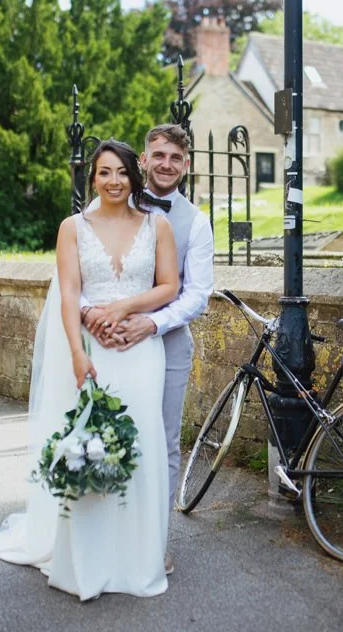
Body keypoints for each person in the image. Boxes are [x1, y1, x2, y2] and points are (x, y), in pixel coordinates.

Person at [0, 139, 179, 600]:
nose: (113, 181)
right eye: (104, 173)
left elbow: (170, 285)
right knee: (89, 446)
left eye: (122, 172)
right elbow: (69, 294)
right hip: (93, 352)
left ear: (135, 176)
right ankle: (87, 561)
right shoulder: (72, 228)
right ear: (93, 179)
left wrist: (124, 306)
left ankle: (138, 560)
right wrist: (76, 352)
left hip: (143, 353)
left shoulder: (157, 225)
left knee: (140, 445)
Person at [82, 124, 215, 576]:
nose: (166, 165)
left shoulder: (196, 222)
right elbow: (76, 275)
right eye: (159, 155)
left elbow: (197, 294)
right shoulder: (109, 198)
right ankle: (102, 536)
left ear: (186, 165)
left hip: (168, 345)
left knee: (162, 444)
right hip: (103, 340)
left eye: (175, 158)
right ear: (144, 158)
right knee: (102, 436)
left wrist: (151, 323)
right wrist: (91, 317)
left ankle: (154, 543)